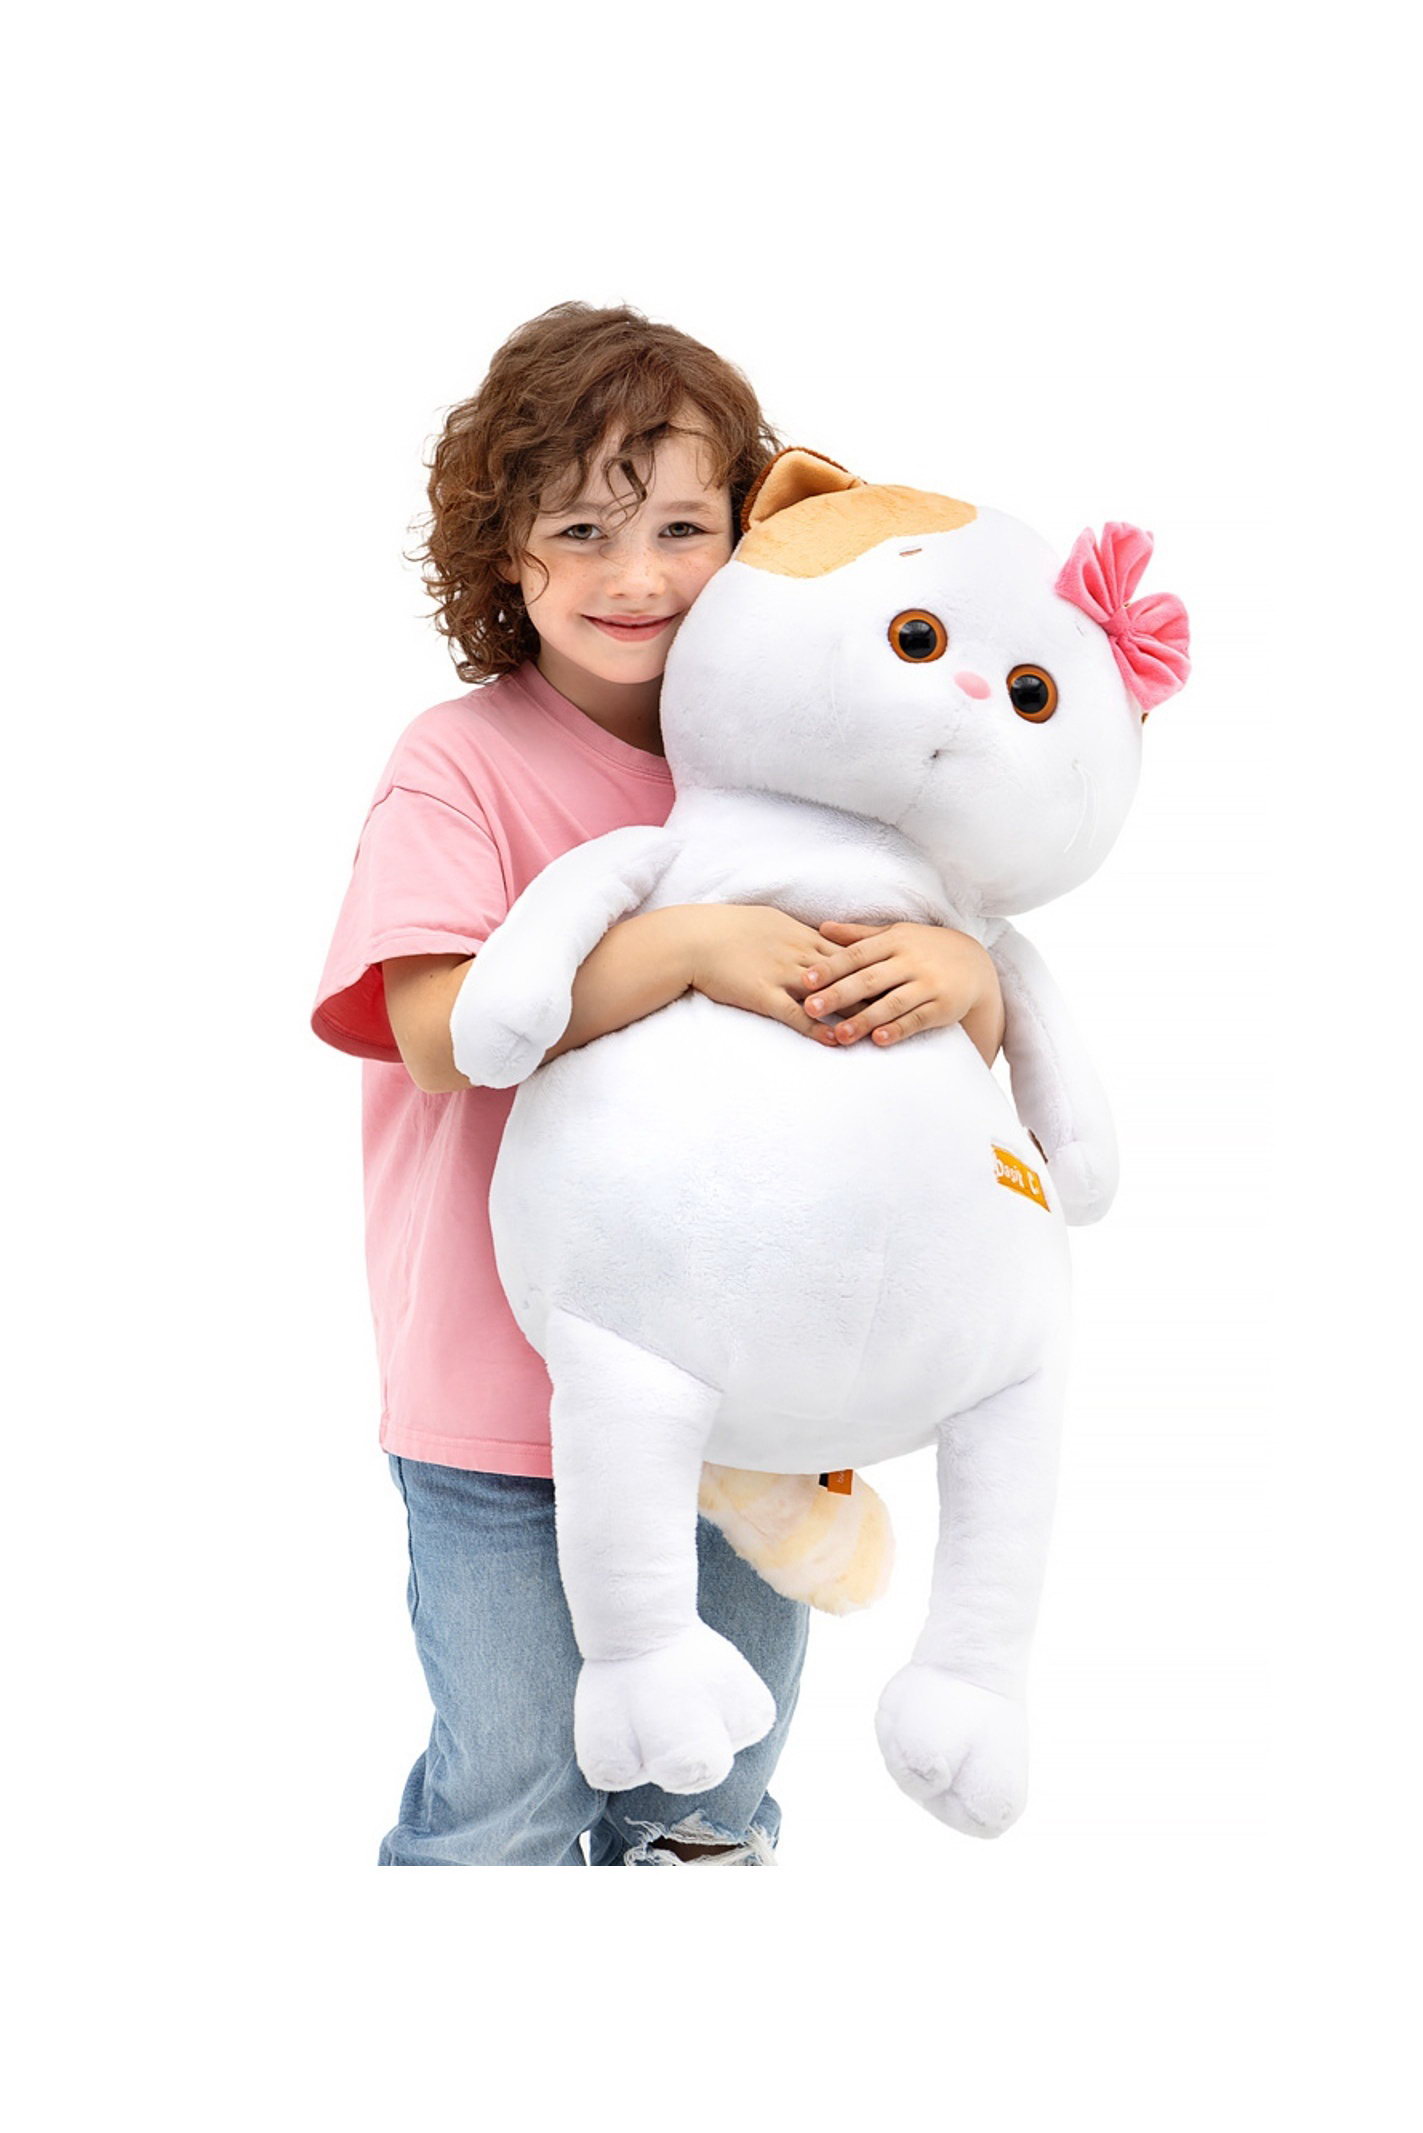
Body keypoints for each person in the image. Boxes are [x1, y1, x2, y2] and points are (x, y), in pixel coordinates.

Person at [311, 301, 1007, 1865]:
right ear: (505, 553)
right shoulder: (460, 762)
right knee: (511, 1790)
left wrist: (965, 981)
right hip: (504, 1404)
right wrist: (686, 946)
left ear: (757, 535)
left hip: (752, 1399)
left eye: (685, 527)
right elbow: (437, 1027)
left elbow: (937, 1045)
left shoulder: (816, 757)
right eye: (583, 529)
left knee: (706, 1802)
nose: (638, 576)